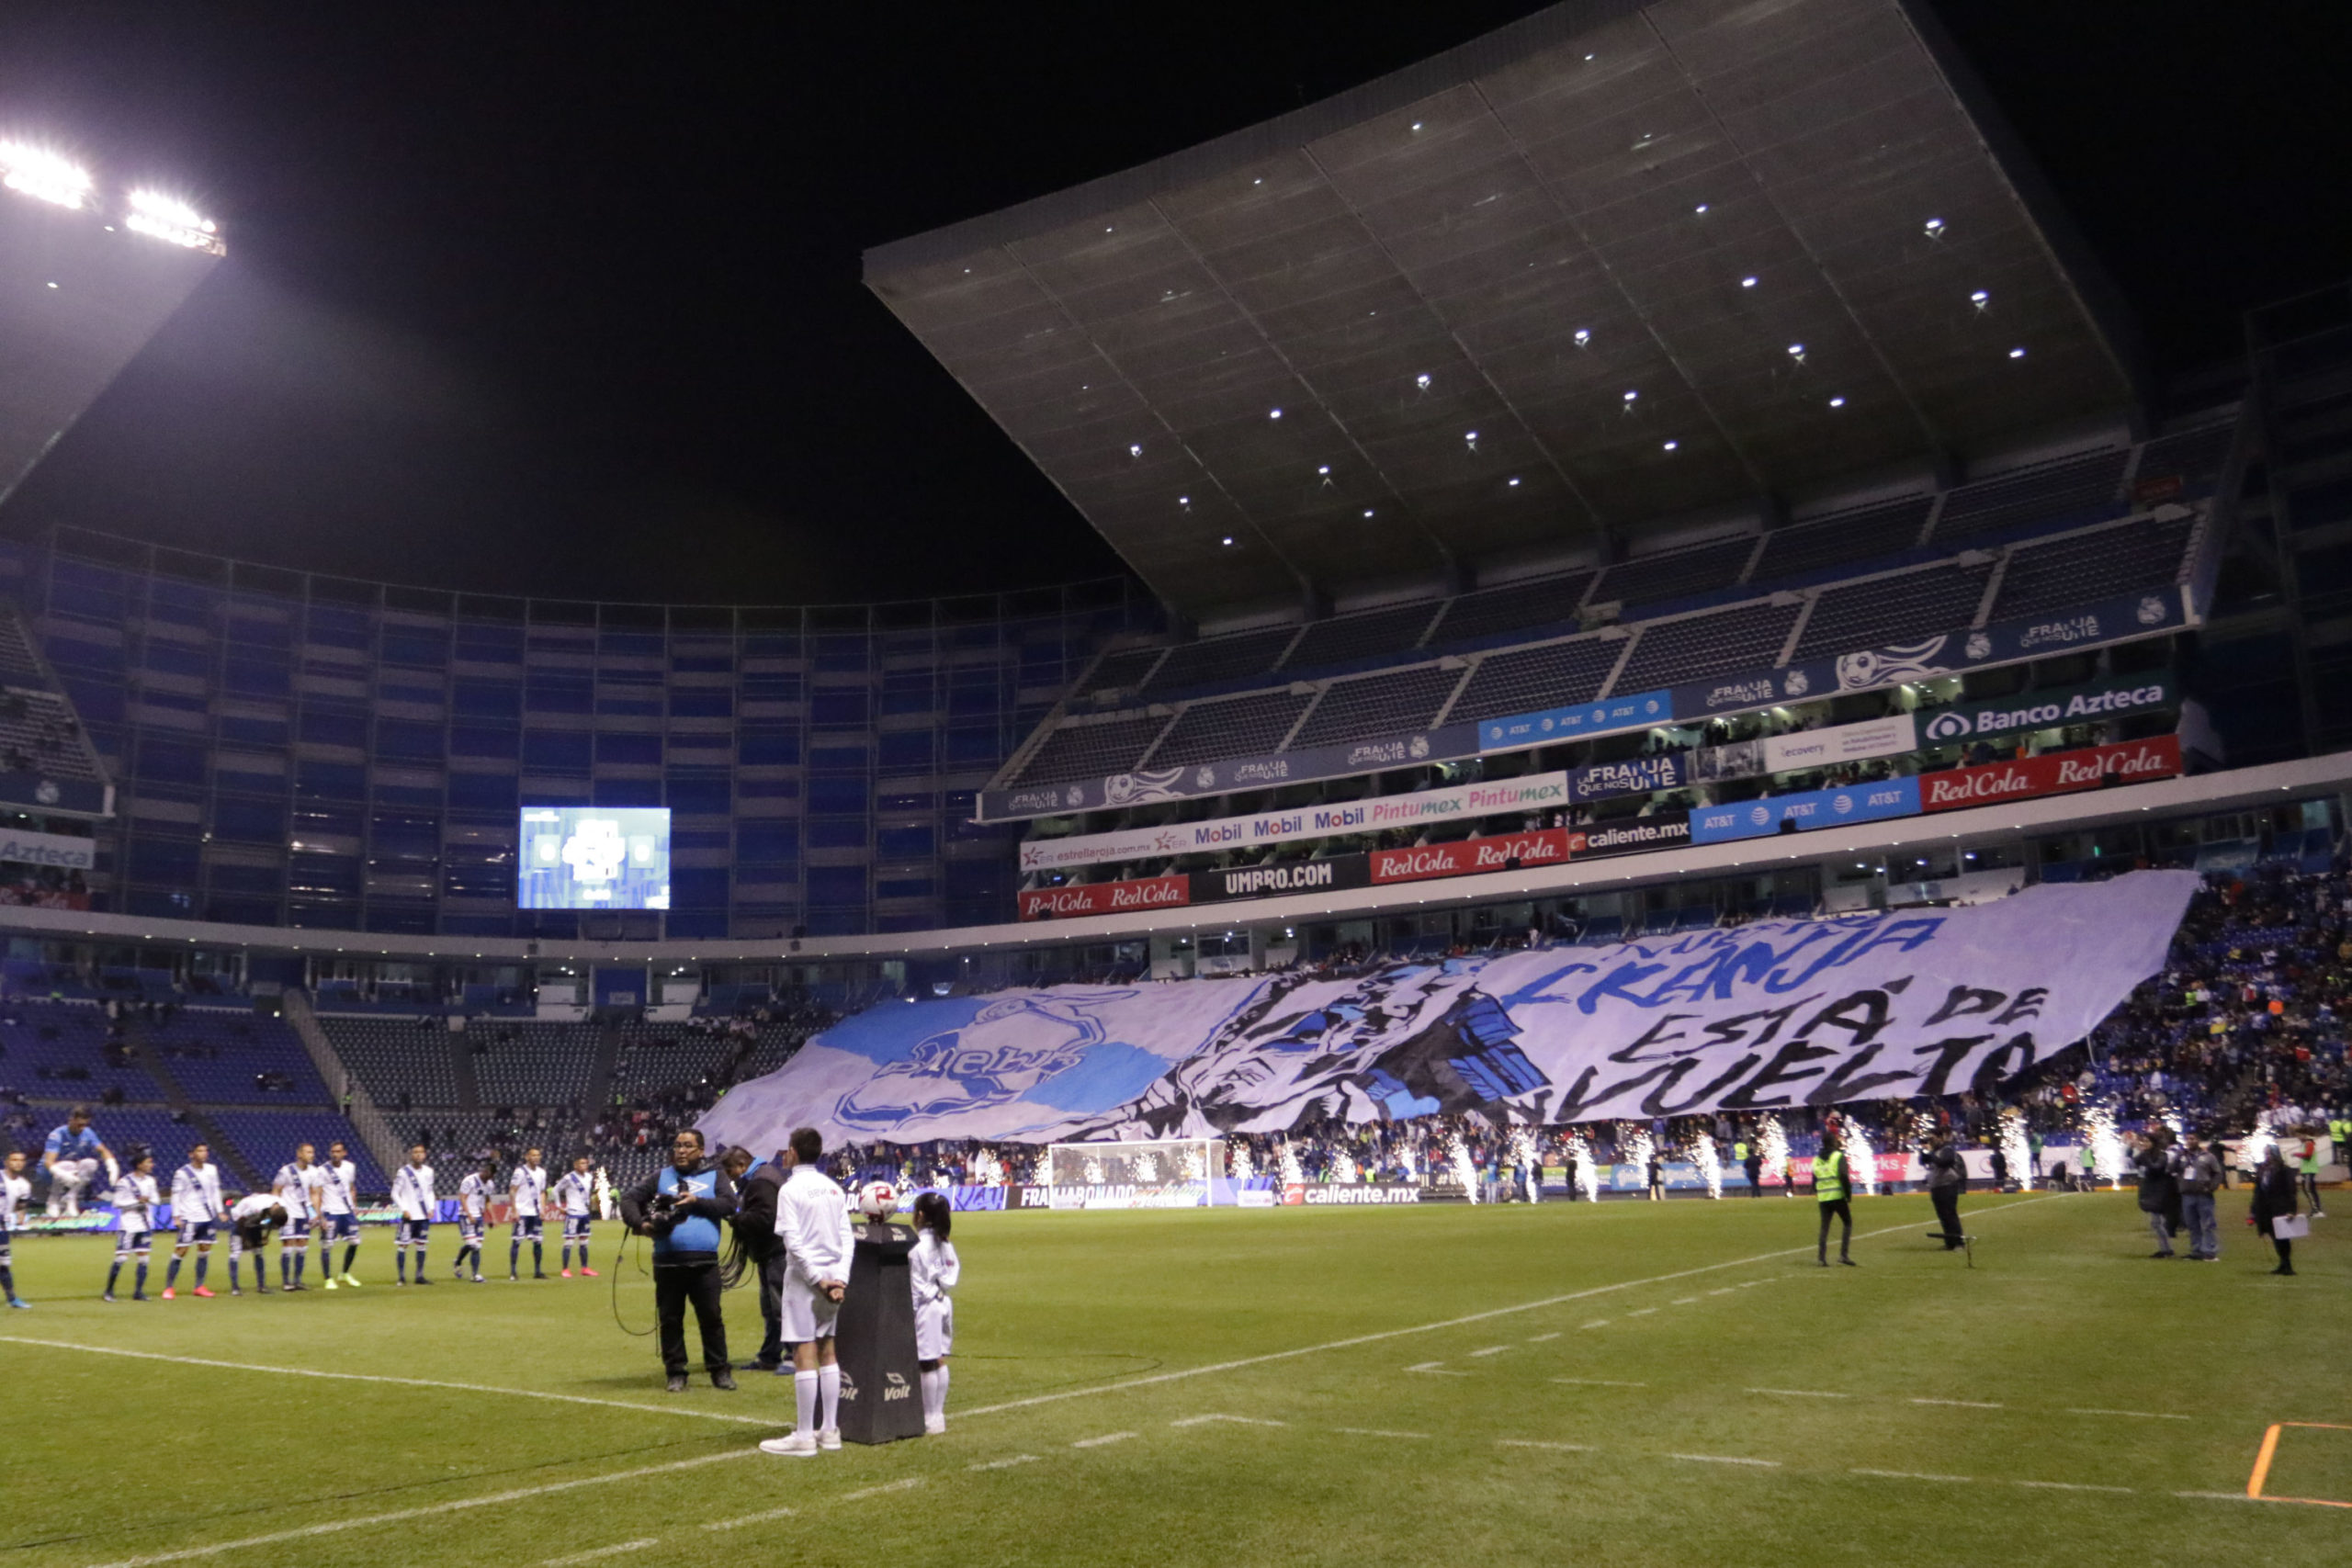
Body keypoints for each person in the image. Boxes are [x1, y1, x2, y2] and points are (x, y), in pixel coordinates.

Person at [616, 1128, 737, 1393]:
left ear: (701, 1151)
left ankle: (719, 1370)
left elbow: (729, 1205)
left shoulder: (714, 1176)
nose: (681, 1151)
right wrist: (642, 1224)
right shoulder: (661, 1177)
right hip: (667, 1263)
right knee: (670, 1319)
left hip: (704, 1263)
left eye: (688, 1146)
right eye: (677, 1146)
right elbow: (628, 1199)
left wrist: (696, 1203)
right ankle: (676, 1372)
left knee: (711, 1318)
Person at [760, 1125, 854, 1458]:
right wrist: (838, 1278)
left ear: (793, 1152)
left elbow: (794, 1244)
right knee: (828, 1350)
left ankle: (803, 1436)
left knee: (803, 1353)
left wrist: (817, 1280)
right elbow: (848, 1238)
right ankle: (829, 1431)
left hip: (806, 1280)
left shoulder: (790, 1189)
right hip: (832, 1276)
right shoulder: (833, 1189)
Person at [723, 1145, 787, 1372]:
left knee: (779, 1307)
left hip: (775, 1252)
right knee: (771, 1307)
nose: (732, 1178)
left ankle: (791, 1357)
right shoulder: (765, 1176)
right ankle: (770, 1356)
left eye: (732, 1173)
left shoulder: (760, 1182)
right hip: (771, 1252)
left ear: (742, 1166)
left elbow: (766, 1217)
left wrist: (738, 1220)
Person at [910, 1190, 959, 1435]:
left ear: (919, 1215)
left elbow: (916, 1286)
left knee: (926, 1361)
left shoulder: (917, 1247)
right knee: (938, 1358)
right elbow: (951, 1277)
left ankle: (930, 1417)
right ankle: (937, 1414)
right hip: (943, 1302)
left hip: (927, 1306)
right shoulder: (946, 1243)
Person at [163, 1143, 227, 1300]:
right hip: (190, 1217)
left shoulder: (212, 1170)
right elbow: (176, 1195)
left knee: (204, 1251)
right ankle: (169, 1287)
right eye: (200, 1150)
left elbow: (215, 1191)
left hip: (207, 1216)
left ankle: (199, 1286)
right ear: (191, 1154)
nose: (204, 1153)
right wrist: (176, 1216)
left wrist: (220, 1211)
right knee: (181, 1251)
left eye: (205, 1150)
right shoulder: (182, 1173)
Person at [105, 1152, 162, 1302]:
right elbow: (117, 1203)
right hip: (129, 1225)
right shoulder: (125, 1182)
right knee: (122, 1258)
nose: (151, 1165)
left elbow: (156, 1199)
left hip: (145, 1224)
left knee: (144, 1259)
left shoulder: (151, 1181)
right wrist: (137, 1202)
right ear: (139, 1164)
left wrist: (148, 1199)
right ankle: (109, 1291)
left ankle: (138, 1292)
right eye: (148, 1162)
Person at [41, 1105, 116, 1219]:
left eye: (85, 1125)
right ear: (71, 1120)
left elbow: (103, 1150)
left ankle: (71, 1197)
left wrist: (112, 1167)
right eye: (79, 1125)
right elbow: (48, 1162)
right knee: (67, 1165)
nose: (82, 1128)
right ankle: (53, 1200)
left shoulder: (87, 1133)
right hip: (49, 1172)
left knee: (90, 1163)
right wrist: (64, 1175)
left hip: (71, 1171)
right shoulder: (57, 1134)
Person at [317, 1141, 363, 1288]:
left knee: (354, 1241)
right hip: (331, 1211)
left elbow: (351, 1187)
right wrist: (320, 1215)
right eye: (333, 1152)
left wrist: (354, 1207)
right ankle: (328, 1278)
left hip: (347, 1211)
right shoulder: (322, 1170)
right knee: (327, 1245)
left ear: (344, 1153)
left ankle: (344, 1273)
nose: (335, 1154)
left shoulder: (350, 1167)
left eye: (338, 1151)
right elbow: (317, 1192)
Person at [2251, 1145, 2301, 1278]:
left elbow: (2291, 1191)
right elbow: (2257, 1191)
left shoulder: (2284, 1170)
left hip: (2280, 1208)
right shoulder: (2262, 1169)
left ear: (2276, 1154)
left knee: (2283, 1237)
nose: (2268, 1156)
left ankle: (2287, 1264)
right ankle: (2282, 1264)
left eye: (2270, 1154)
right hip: (2265, 1209)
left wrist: (2291, 1209)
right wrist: (2253, 1211)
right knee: (2274, 1237)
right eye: (2266, 1154)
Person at [273, 1144, 317, 1291]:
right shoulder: (286, 1171)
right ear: (299, 1154)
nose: (311, 1155)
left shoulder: (314, 1172)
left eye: (312, 1152)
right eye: (308, 1152)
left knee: (302, 1245)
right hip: (289, 1213)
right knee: (288, 1245)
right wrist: (278, 1209)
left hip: (304, 1213)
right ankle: (286, 1282)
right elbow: (276, 1190)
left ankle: (298, 1280)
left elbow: (314, 1192)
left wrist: (315, 1213)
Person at [391, 1145, 437, 1286]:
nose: (418, 1155)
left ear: (424, 1155)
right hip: (409, 1216)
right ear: (411, 1155)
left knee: (421, 1245)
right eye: (415, 1152)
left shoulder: (429, 1172)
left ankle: (419, 1276)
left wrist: (431, 1207)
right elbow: (394, 1193)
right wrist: (404, 1209)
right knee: (403, 1245)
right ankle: (401, 1277)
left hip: (423, 1215)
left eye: (420, 1152)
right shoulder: (403, 1172)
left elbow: (429, 1191)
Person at [226, 1192, 288, 1294]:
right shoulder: (257, 1207)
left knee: (259, 1252)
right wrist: (246, 1240)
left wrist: (266, 1236)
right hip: (239, 1219)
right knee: (236, 1253)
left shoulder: (282, 1205)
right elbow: (244, 1222)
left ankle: (261, 1286)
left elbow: (269, 1221)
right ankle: (235, 1288)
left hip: (255, 1222)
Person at [2177, 1131, 2222, 1262]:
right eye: (2188, 1139)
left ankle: (2210, 1251)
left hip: (2203, 1194)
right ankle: (2196, 1250)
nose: (2190, 1141)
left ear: (2198, 1141)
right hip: (2187, 1194)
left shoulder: (2208, 1156)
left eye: (2193, 1139)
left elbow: (2218, 1173)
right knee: (2192, 1224)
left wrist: (2211, 1187)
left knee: (2208, 1224)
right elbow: (2173, 1170)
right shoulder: (2182, 1156)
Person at [509, 1147, 549, 1281]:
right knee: (517, 1241)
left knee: (538, 1241)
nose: (536, 1157)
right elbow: (512, 1190)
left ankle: (537, 1271)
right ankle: (513, 1272)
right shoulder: (520, 1172)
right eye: (533, 1155)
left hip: (536, 1212)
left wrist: (542, 1209)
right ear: (527, 1157)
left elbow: (542, 1192)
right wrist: (514, 1210)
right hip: (522, 1211)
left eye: (538, 1155)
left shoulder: (542, 1173)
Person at [1815, 1131, 1855, 1267]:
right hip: (1837, 1196)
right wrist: (1848, 1194)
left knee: (1824, 1227)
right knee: (1847, 1223)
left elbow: (1814, 1179)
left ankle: (1821, 1258)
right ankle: (1843, 1255)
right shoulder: (1838, 1156)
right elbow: (1844, 1176)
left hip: (1823, 1197)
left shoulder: (1816, 1159)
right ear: (1833, 1142)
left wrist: (1819, 1191)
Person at [554, 1155, 598, 1278]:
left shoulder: (589, 1177)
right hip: (573, 1212)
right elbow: (555, 1190)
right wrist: (559, 1206)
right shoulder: (569, 1177)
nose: (584, 1165)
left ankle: (584, 1268)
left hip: (584, 1212)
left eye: (585, 1163)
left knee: (584, 1241)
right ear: (575, 1165)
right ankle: (565, 1269)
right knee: (569, 1241)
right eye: (581, 1163)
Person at [2134, 1132, 2177, 1258]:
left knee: (2157, 1222)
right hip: (2151, 1190)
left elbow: (2156, 1168)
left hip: (2161, 1191)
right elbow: (2135, 1161)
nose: (2145, 1144)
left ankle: (2166, 1249)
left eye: (2147, 1142)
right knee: (2156, 1223)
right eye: (2144, 1142)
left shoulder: (2162, 1155)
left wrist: (2145, 1156)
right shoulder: (2146, 1155)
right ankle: (2165, 1248)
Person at [1923, 1131, 1966, 1249]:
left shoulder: (1947, 1149)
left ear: (1940, 1137)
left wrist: (1931, 1155)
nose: (1931, 1142)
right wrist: (1923, 1152)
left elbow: (1945, 1162)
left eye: (1932, 1139)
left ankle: (1959, 1242)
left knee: (1950, 1214)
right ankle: (1950, 1242)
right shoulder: (1935, 1152)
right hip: (1936, 1186)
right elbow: (1923, 1161)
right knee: (1942, 1215)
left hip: (1948, 1185)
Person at [455, 1157, 495, 1281]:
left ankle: (457, 1261)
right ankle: (475, 1275)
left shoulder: (490, 1185)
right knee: (474, 1245)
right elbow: (462, 1198)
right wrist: (469, 1215)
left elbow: (487, 1200)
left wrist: (492, 1217)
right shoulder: (470, 1180)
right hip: (466, 1216)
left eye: (491, 1175)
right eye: (487, 1173)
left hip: (479, 1216)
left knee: (475, 1245)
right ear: (484, 1171)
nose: (488, 1176)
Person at [1, 1148, 31, 1308]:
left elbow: (21, 1205)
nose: (18, 1162)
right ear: (6, 1162)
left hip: (2, 1228)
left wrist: (21, 1217)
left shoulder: (24, 1185)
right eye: (14, 1159)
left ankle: (12, 1299)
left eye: (21, 1160)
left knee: (4, 1264)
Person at [2295, 1134, 2325, 1219]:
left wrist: (2297, 1154)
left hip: (2309, 1170)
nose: (2299, 1138)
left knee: (2308, 1190)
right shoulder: (2306, 1144)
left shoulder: (2309, 1143)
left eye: (2300, 1135)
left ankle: (2317, 1210)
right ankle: (2315, 1209)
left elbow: (2308, 1155)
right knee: (2310, 1190)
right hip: (2307, 1170)